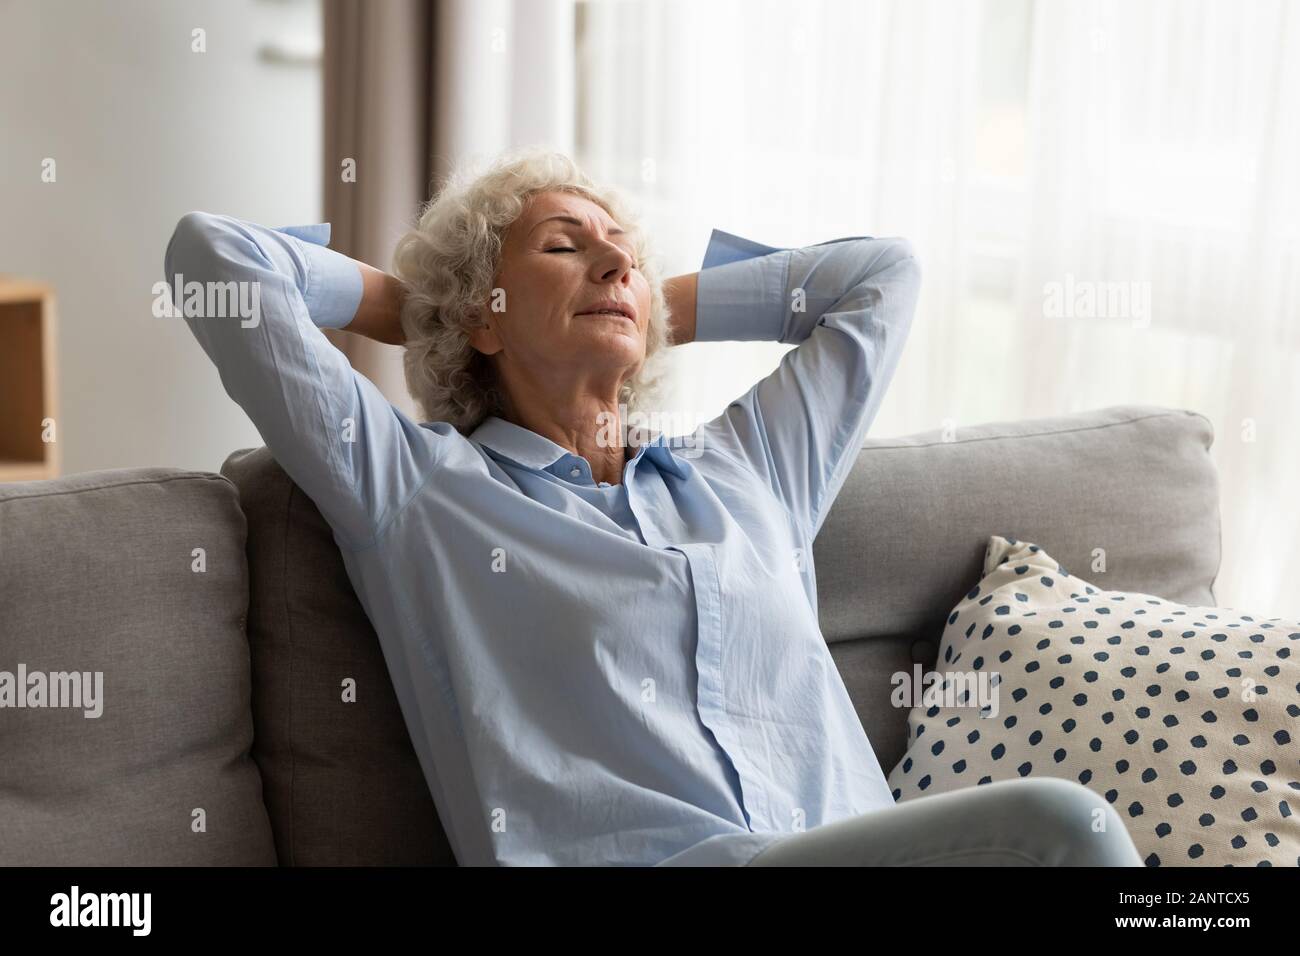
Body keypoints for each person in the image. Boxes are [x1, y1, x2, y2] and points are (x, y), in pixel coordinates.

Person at [164, 145, 1142, 867]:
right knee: (1069, 832)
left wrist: (645, 298)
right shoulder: (420, 494)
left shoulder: (746, 467)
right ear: (485, 316)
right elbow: (213, 260)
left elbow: (879, 277)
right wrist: (423, 308)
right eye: (563, 244)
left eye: (622, 250)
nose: (611, 262)